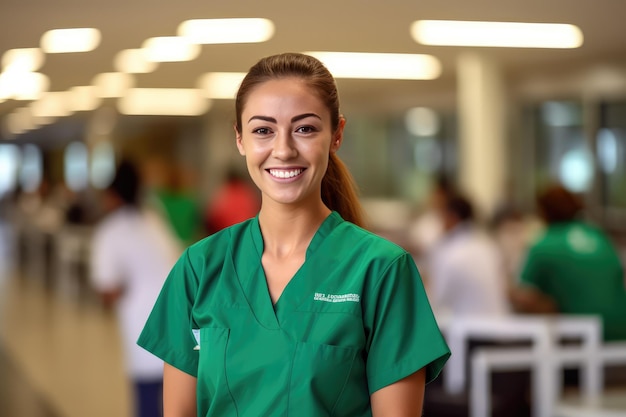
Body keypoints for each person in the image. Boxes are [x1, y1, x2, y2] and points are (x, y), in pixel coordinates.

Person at [138, 52, 450, 417]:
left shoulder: (382, 271)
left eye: (305, 128)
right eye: (262, 130)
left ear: (336, 135)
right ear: (240, 139)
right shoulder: (198, 268)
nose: (283, 150)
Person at [90, 159, 182, 417]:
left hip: (143, 332)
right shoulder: (154, 219)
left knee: (148, 402)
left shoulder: (109, 232)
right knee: (179, 401)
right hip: (178, 323)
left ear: (112, 194)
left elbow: (106, 290)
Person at [511, 183, 626, 341]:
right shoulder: (599, 235)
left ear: (543, 212)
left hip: (584, 335)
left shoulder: (545, 243)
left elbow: (524, 294)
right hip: (620, 329)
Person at [427, 192, 510, 318]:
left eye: (442, 216)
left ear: (452, 217)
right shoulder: (488, 246)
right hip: (501, 326)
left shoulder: (448, 251)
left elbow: (437, 298)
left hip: (470, 331)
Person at [203, 167, 261, 234]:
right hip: (246, 231)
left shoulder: (226, 193)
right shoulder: (248, 193)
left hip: (229, 232)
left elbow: (215, 215)